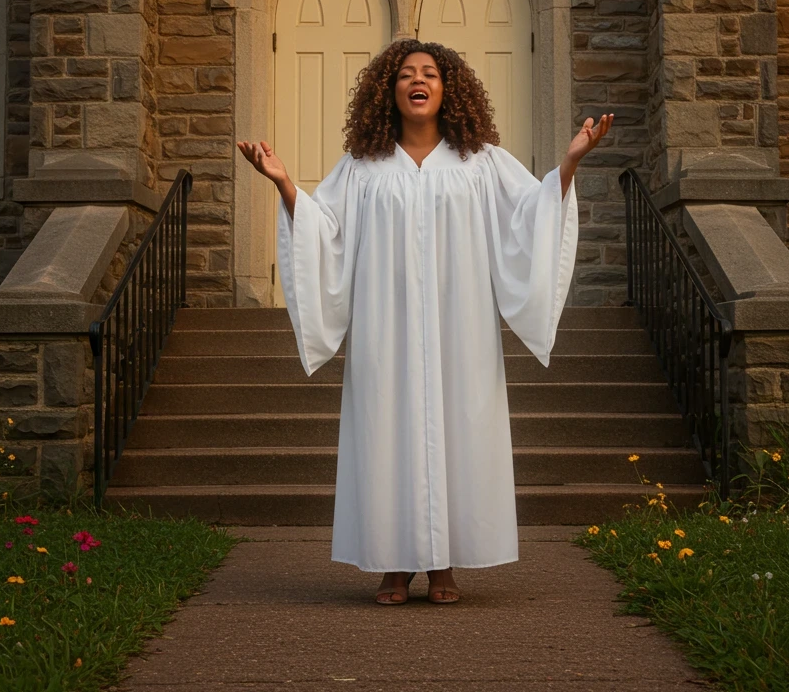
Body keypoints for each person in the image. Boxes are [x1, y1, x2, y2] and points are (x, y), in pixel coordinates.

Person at [237, 39, 612, 605]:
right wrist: (285, 183)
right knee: (386, 432)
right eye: (407, 74)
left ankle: (442, 567)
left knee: (458, 430)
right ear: (388, 91)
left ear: (447, 89)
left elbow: (530, 214)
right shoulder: (363, 168)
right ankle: (393, 566)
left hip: (459, 326)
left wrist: (570, 161)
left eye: (430, 74)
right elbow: (326, 232)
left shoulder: (479, 161)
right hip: (385, 326)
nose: (419, 81)